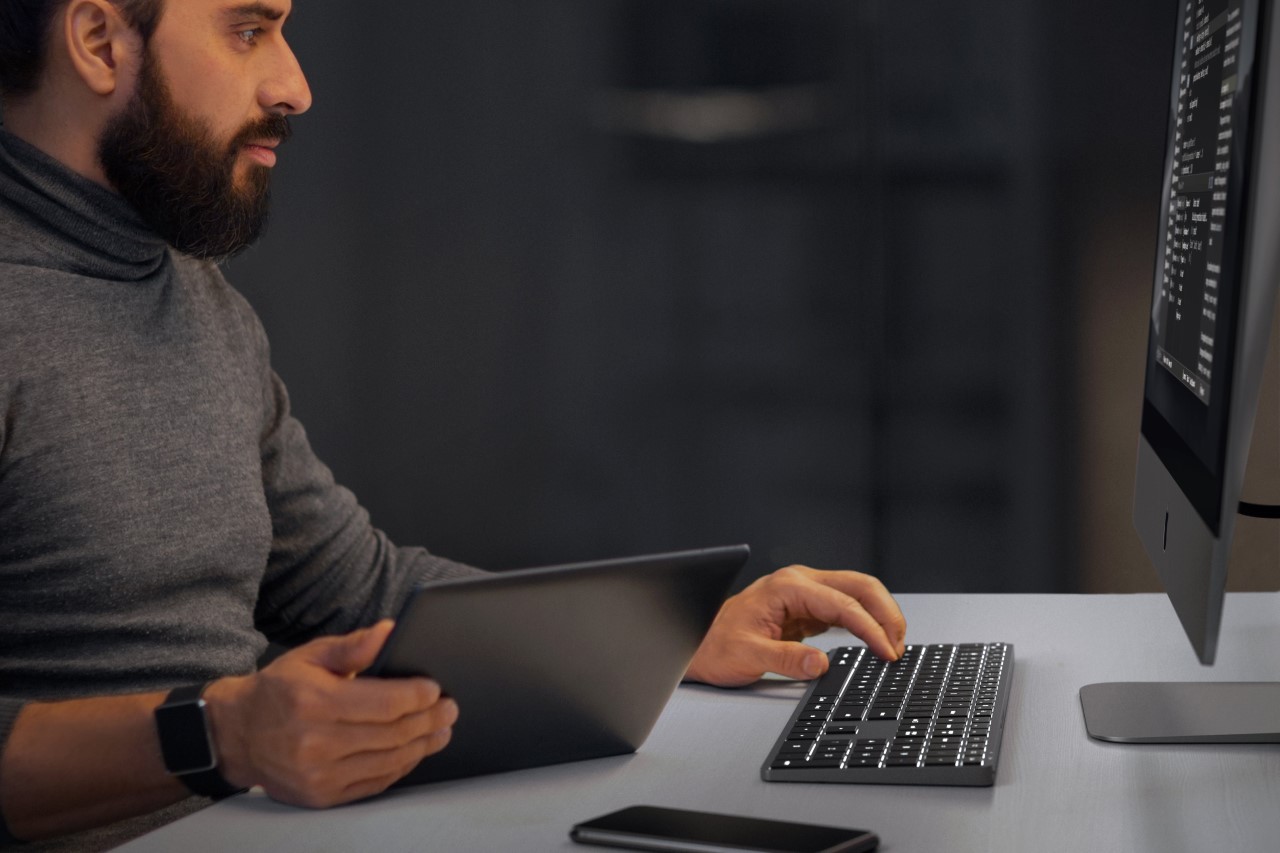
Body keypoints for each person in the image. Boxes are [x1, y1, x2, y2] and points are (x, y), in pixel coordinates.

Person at [0, 0, 908, 848]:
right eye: (249, 30)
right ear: (97, 41)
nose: (295, 87)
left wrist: (667, 638)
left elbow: (360, 585)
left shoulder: (199, 302)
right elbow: (227, 726)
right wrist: (217, 733)